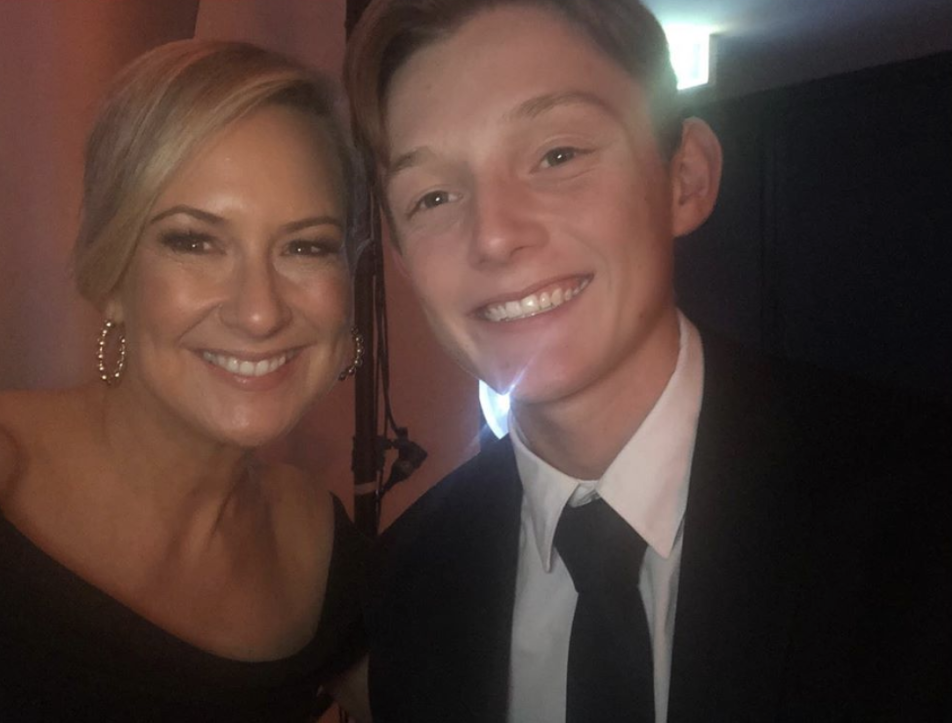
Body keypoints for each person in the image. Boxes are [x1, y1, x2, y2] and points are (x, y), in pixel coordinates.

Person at [344, 1, 952, 721]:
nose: (495, 236)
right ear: (405, 261)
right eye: (434, 195)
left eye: (557, 154)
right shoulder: (407, 578)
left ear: (684, 177)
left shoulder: (921, 509)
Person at [0, 40, 371, 721]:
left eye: (305, 246)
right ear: (112, 276)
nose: (259, 311)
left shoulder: (320, 547)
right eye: (195, 241)